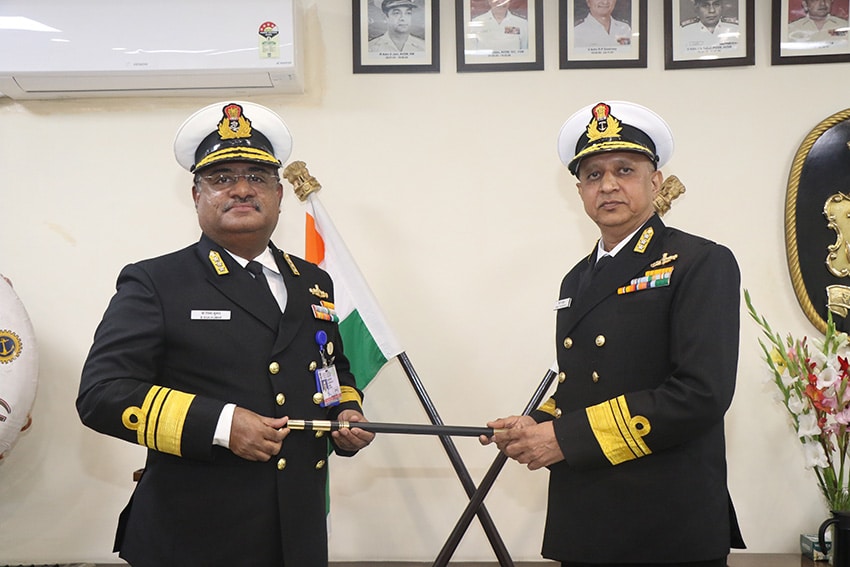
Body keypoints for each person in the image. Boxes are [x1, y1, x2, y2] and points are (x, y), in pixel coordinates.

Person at [77, 101, 374, 567]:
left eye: (257, 177)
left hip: (299, 530)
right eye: (221, 179)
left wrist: (344, 411)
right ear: (197, 195)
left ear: (278, 194)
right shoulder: (156, 281)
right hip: (195, 535)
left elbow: (330, 367)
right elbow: (101, 394)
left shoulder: (314, 281)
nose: (241, 189)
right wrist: (221, 425)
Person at [481, 100, 745, 566]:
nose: (608, 185)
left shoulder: (701, 261)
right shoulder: (575, 279)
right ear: (579, 191)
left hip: (665, 522)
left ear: (655, 181)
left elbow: (701, 393)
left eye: (624, 170)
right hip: (586, 516)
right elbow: (585, 382)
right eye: (593, 175)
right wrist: (537, 423)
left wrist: (565, 438)